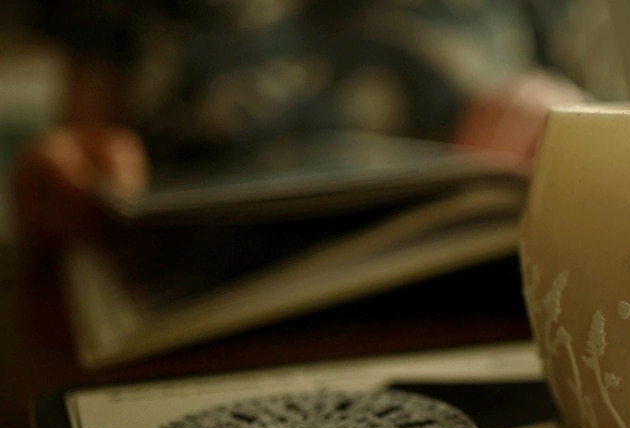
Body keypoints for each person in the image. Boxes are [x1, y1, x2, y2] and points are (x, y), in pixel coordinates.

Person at [11, 1, 596, 249]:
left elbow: (615, 125)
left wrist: (565, 113)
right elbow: (82, 152)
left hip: (469, 298)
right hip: (198, 320)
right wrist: (66, 180)